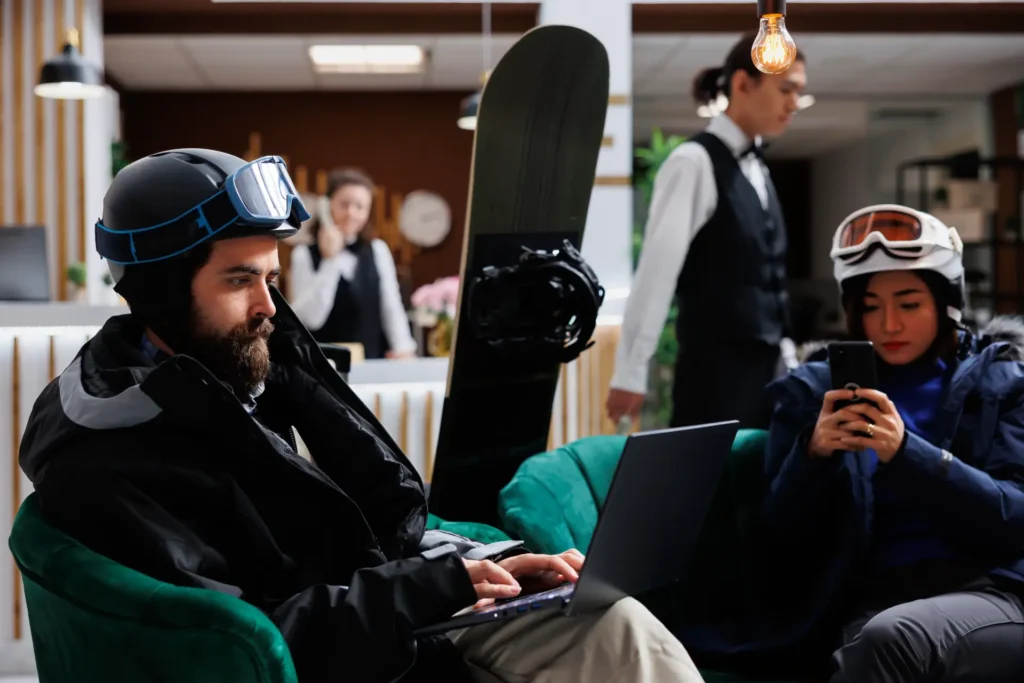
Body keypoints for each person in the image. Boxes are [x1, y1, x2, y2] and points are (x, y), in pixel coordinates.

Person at [18, 148, 704, 683]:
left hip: (390, 614)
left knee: (609, 617)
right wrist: (435, 585)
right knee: (619, 639)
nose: (268, 306)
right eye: (239, 279)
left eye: (270, 278)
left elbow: (372, 525)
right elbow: (255, 633)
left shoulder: (221, 372)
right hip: (369, 643)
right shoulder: (111, 448)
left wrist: (484, 563)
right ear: (163, 293)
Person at [760, 204, 1024, 681]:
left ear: (946, 303)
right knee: (866, 645)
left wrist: (908, 454)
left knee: (889, 639)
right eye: (870, 306)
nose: (889, 325)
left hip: (992, 591)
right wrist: (812, 457)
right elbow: (780, 542)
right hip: (874, 601)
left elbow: (1014, 518)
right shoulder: (812, 395)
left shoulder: (1002, 380)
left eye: (908, 303)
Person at [607, 32, 806, 430]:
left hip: (767, 378)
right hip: (714, 380)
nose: (794, 103)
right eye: (786, 89)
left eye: (799, 92)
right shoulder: (693, 162)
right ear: (743, 84)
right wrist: (630, 373)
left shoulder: (759, 168)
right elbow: (656, 274)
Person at [289, 167, 417, 359]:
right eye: (344, 204)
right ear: (327, 205)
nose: (351, 213)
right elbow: (311, 319)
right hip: (323, 364)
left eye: (359, 207)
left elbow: (391, 308)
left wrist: (403, 348)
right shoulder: (303, 254)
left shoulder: (378, 250)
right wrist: (330, 261)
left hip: (370, 362)